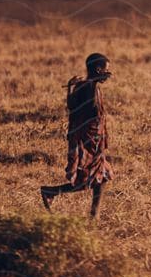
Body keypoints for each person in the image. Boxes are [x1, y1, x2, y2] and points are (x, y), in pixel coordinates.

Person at [42, 52, 114, 217]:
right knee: (87, 179)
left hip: (92, 140)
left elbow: (72, 105)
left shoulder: (85, 86)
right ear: (98, 69)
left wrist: (73, 86)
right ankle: (51, 192)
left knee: (102, 177)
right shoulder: (88, 87)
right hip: (86, 141)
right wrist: (91, 82)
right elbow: (89, 110)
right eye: (106, 70)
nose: (108, 74)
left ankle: (93, 216)